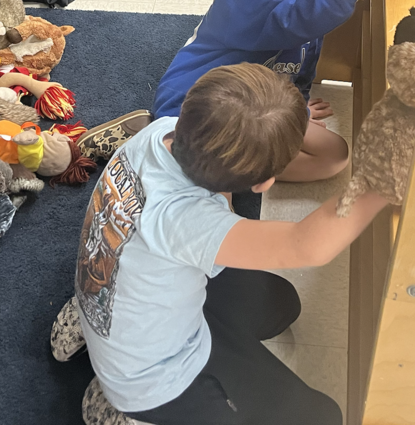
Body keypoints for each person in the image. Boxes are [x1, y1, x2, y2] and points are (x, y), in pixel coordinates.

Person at [62, 63, 389, 425]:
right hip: (153, 382)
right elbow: (306, 246)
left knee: (281, 304)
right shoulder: (189, 220)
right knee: (323, 417)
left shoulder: (161, 131)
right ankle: (121, 412)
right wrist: (382, 181)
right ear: (265, 183)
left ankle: (89, 313)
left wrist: (286, 121)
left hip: (131, 283)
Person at [152, 0, 380, 182]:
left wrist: (295, 101)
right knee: (326, 157)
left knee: (334, 156)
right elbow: (301, 20)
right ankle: (170, 149)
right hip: (194, 110)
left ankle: (206, 160)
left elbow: (297, 55)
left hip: (249, 103)